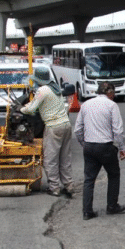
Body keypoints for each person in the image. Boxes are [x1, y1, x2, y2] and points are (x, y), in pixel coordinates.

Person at [74, 82, 125, 220]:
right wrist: (122, 148)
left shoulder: (86, 104)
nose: (114, 96)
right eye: (114, 93)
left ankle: (87, 211)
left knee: (89, 179)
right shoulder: (112, 106)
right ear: (110, 93)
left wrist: (84, 144)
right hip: (105, 147)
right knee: (114, 174)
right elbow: (118, 130)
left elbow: (78, 129)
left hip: (89, 146)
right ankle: (112, 206)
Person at [20, 70, 74, 198]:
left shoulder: (42, 90)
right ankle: (69, 185)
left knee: (50, 159)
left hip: (53, 127)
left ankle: (54, 188)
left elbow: (31, 109)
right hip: (66, 125)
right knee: (65, 158)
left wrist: (21, 109)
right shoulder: (54, 88)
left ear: (38, 80)